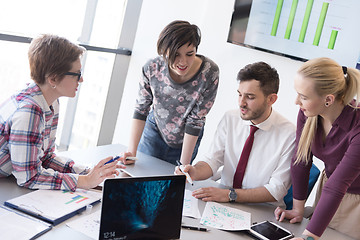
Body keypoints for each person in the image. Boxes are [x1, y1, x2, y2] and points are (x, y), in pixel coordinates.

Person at [0, 34, 124, 191]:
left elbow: (45, 157)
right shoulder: (29, 111)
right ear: (53, 79)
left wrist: (88, 172)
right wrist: (84, 181)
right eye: (77, 74)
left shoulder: (50, 100)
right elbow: (29, 177)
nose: (81, 80)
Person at [175, 62, 295, 206]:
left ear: (271, 99)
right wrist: (194, 171)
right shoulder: (230, 118)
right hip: (223, 202)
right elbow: (213, 159)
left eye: (250, 97)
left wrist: (230, 195)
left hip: (262, 208)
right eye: (239, 95)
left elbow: (276, 189)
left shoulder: (290, 134)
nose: (241, 103)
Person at [274, 57, 360, 240]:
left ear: (328, 99)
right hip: (329, 190)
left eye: (303, 97)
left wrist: (309, 237)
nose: (296, 101)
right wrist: (297, 208)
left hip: (355, 202)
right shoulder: (309, 113)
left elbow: (338, 185)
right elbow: (301, 160)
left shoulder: (357, 125)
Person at [121, 20, 219, 166]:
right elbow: (141, 109)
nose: (183, 62)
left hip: (188, 138)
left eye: (189, 54)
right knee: (139, 179)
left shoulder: (209, 72)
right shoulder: (152, 68)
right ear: (164, 51)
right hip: (154, 131)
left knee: (173, 183)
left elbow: (196, 120)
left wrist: (184, 166)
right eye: (176, 54)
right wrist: (131, 152)